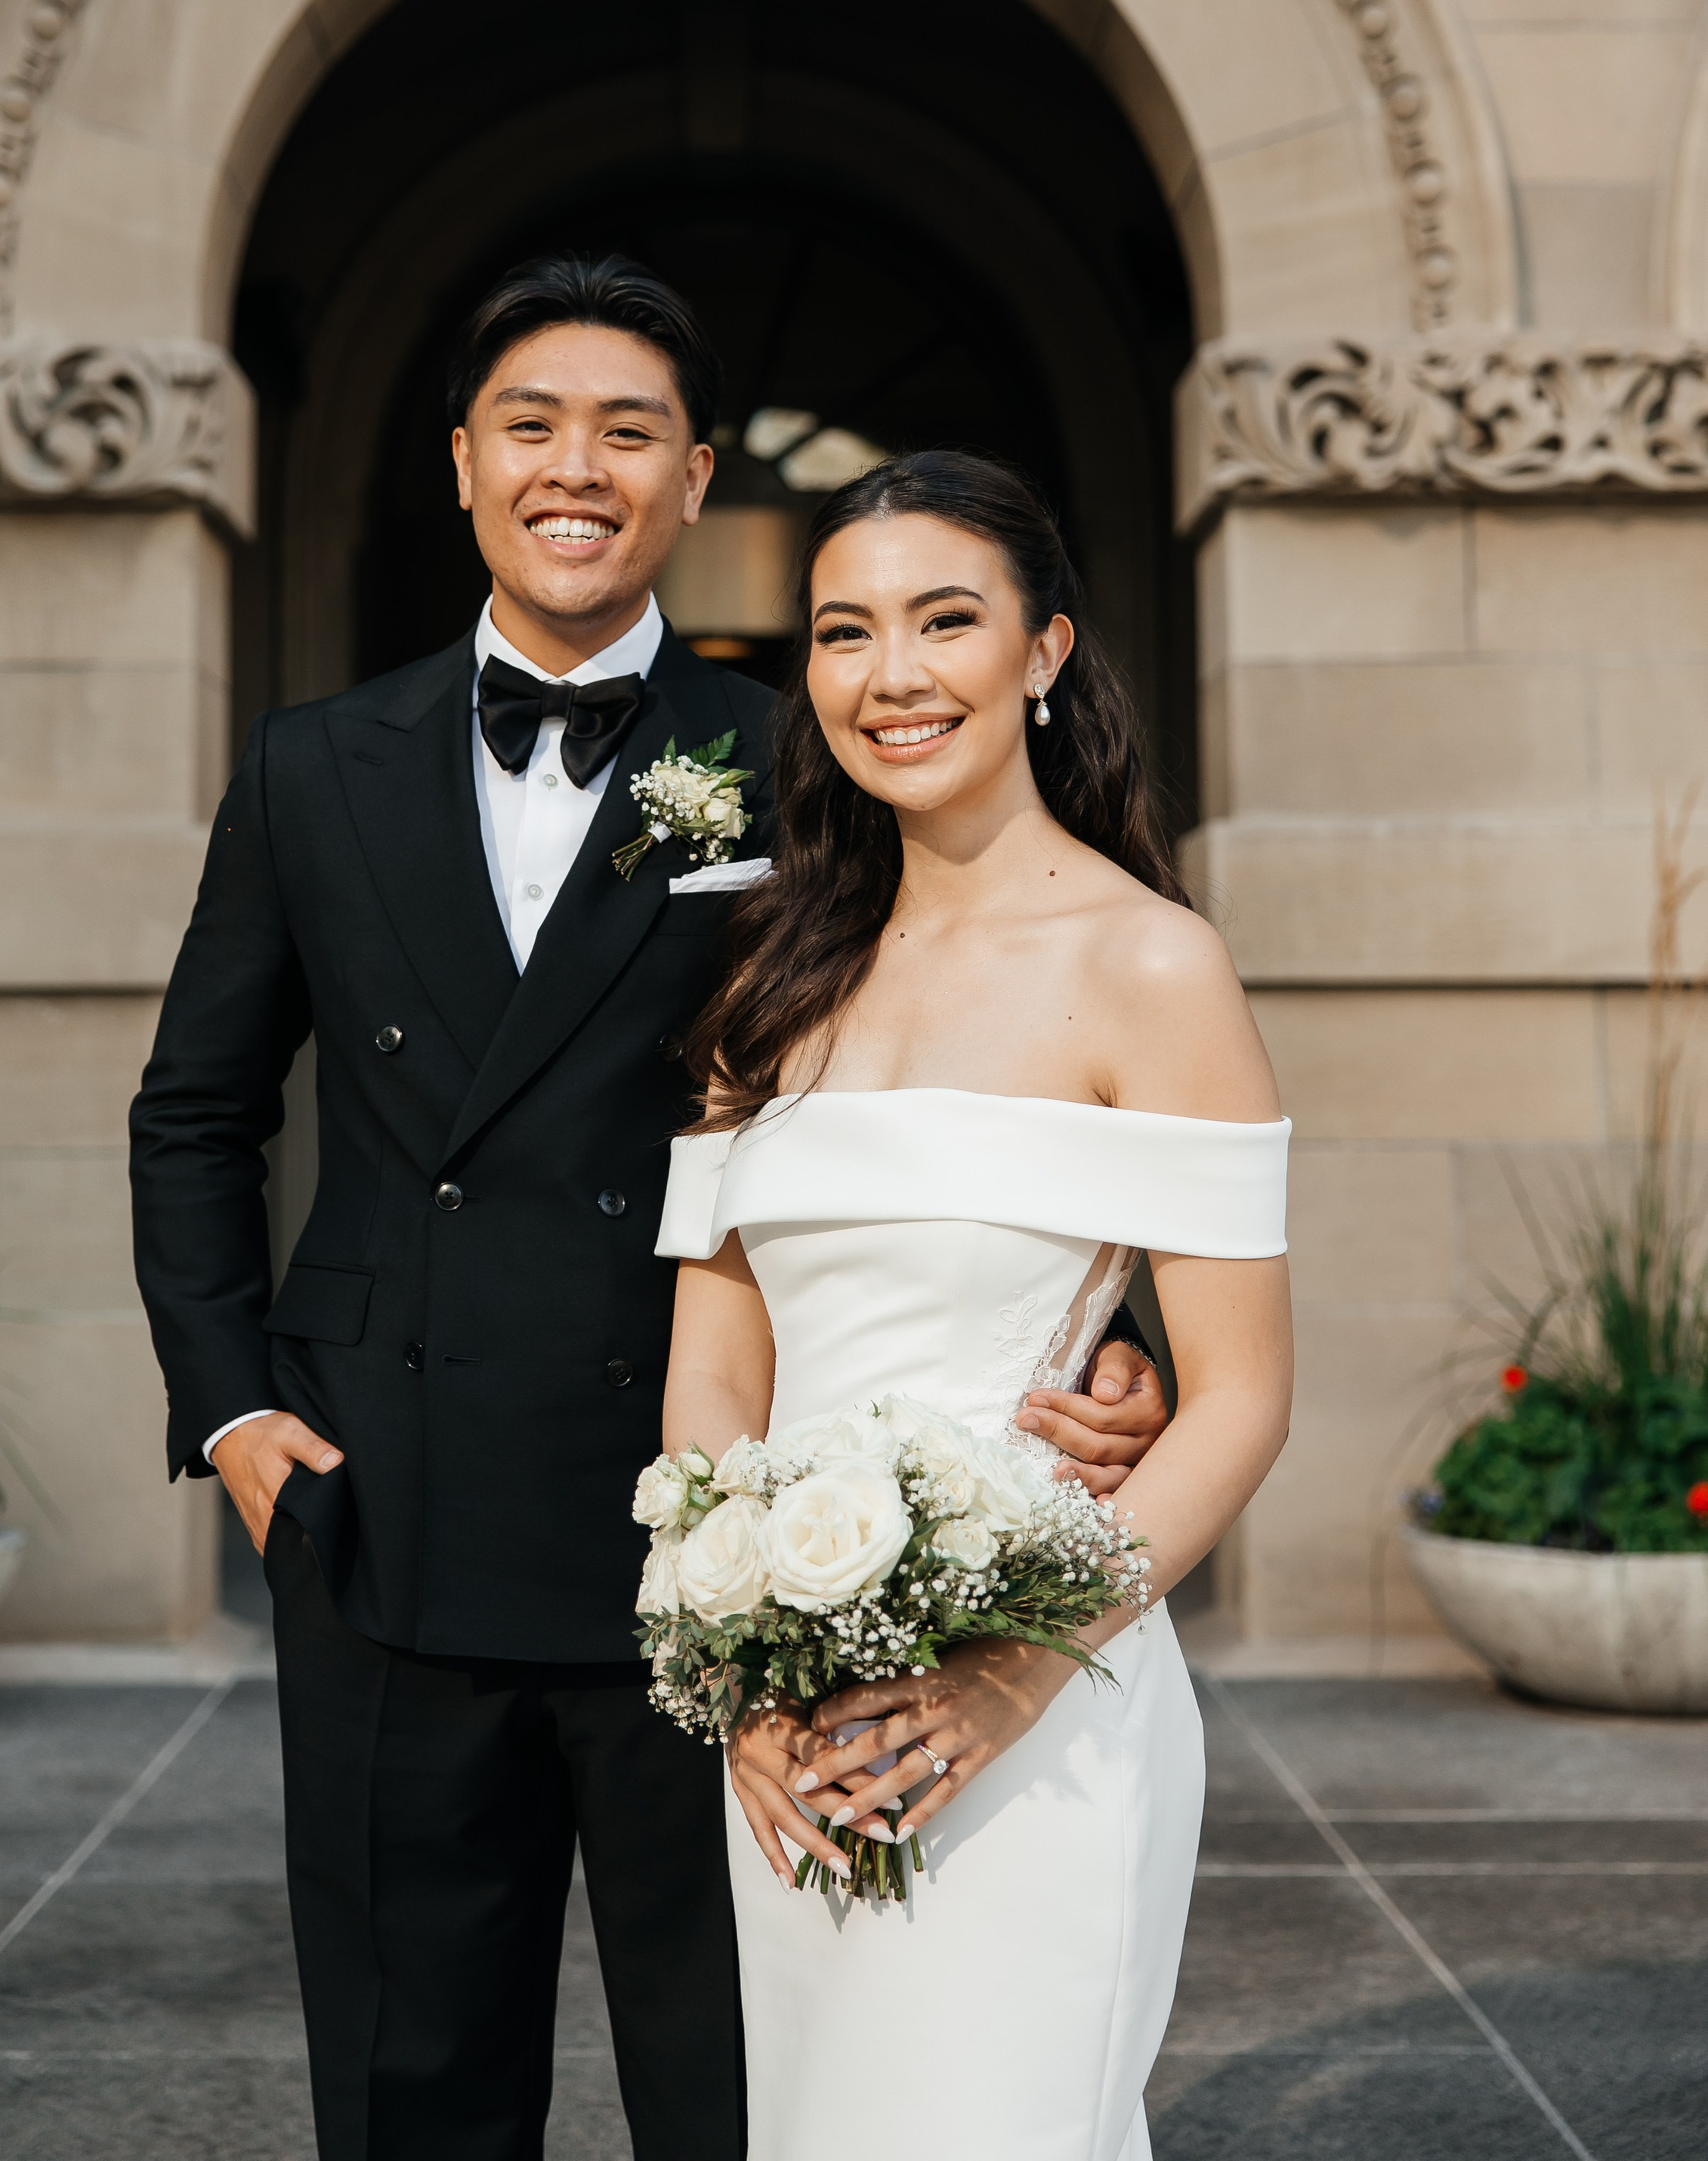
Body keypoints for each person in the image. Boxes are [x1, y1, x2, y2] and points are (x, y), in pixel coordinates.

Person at [129, 261, 1172, 2161]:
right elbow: (192, 1113)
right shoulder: (307, 765)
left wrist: (1113, 1335)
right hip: (382, 1503)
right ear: (462, 464)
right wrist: (227, 1411)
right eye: (531, 424)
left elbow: (990, 1051)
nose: (575, 469)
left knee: (741, 2088)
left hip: (723, 1524)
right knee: (409, 2087)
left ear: (696, 483)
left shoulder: (803, 744)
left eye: (629, 433)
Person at [656, 449, 1293, 2161]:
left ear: (1042, 652)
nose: (891, 675)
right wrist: (744, 1675)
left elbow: (1234, 1399)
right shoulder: (764, 973)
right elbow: (713, 1372)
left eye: (946, 621)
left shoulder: (1150, 964)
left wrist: (1007, 1676)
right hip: (792, 1721)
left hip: (1037, 1716)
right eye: (844, 632)